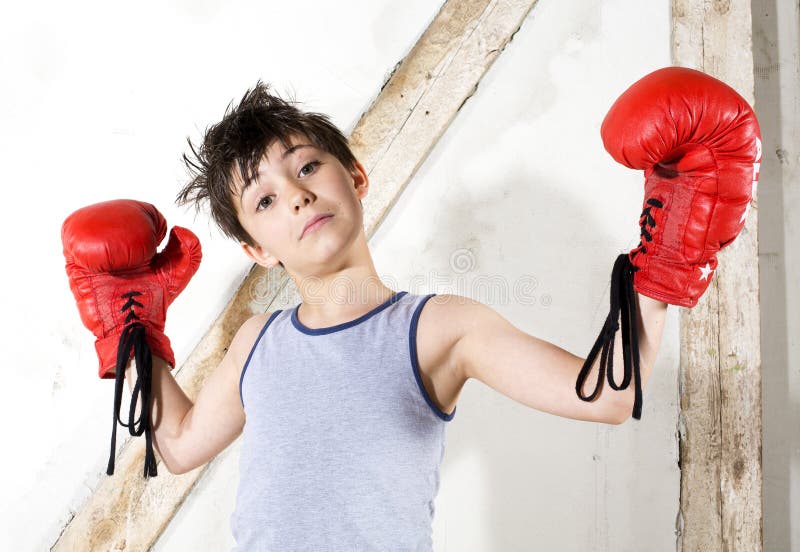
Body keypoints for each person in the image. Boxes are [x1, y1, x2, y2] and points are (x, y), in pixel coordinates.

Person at [62, 66, 759, 550]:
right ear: (257, 250)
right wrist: (130, 327)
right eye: (265, 199)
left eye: (307, 166)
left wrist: (671, 253)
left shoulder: (439, 327)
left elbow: (609, 396)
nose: (296, 195)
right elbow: (180, 446)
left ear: (356, 176)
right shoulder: (257, 341)